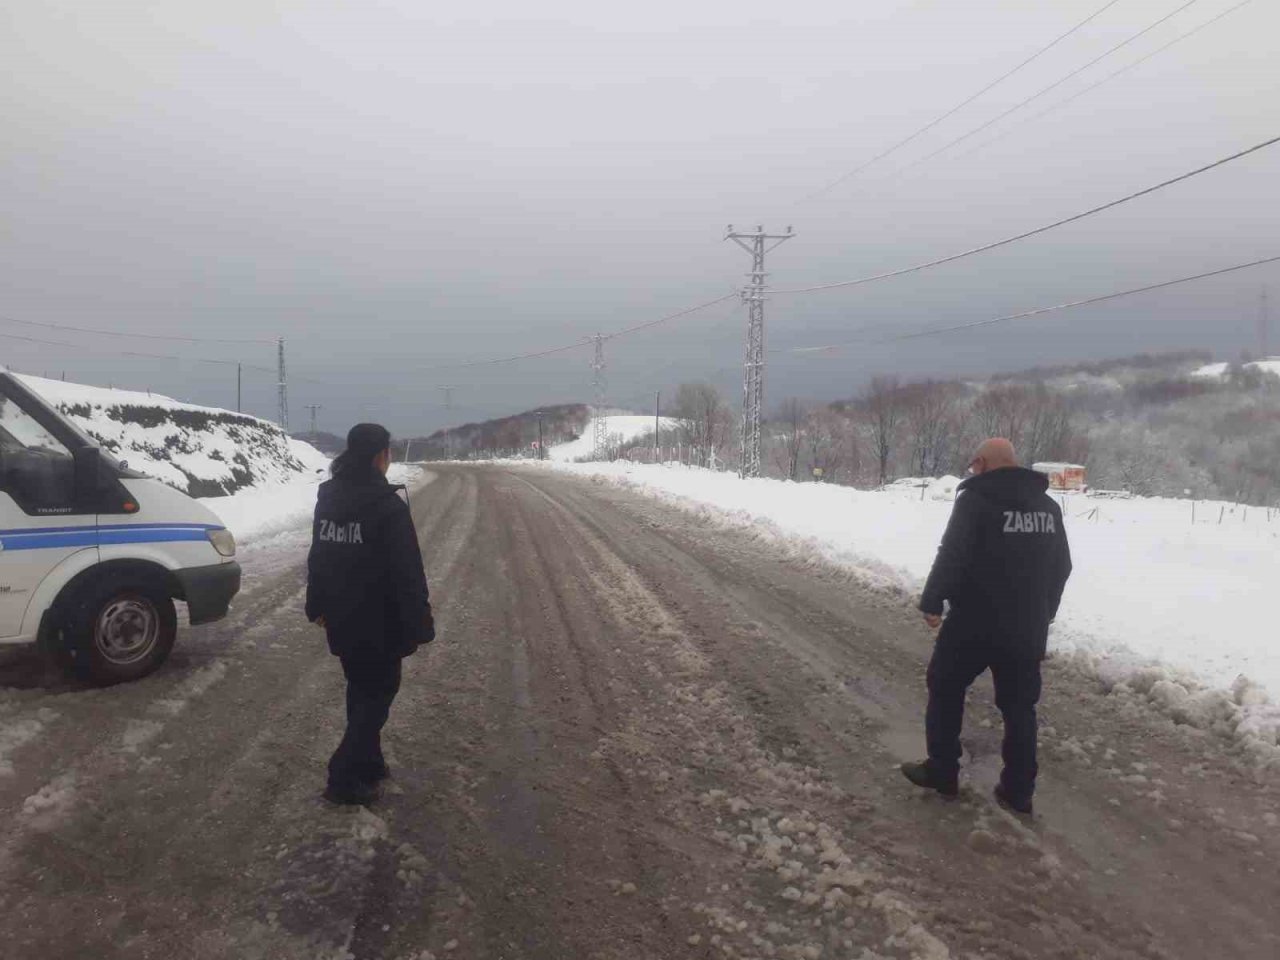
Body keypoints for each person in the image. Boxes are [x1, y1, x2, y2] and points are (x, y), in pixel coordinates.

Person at [901, 438, 1071, 816]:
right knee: (1020, 707)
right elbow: (1062, 566)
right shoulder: (1047, 507)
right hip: (1026, 627)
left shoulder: (976, 500)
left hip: (974, 623)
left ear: (981, 463)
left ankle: (943, 770)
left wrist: (932, 601)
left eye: (973, 466)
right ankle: (1018, 791)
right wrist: (1046, 611)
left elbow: (953, 554)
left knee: (945, 685)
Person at [306, 423, 435, 806]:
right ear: (381, 456)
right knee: (379, 693)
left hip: (341, 616)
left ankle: (369, 762)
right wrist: (420, 623)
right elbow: (407, 571)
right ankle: (343, 775)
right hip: (380, 619)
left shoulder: (329, 497)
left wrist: (317, 604)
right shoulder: (387, 507)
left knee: (360, 687)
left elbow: (319, 556)